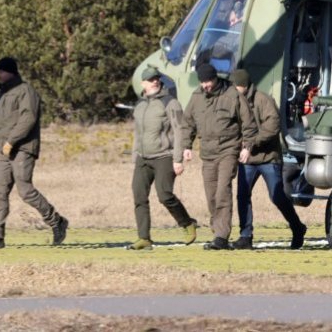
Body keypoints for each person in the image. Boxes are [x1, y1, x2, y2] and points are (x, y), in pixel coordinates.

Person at [0, 57, 68, 249]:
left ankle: (56, 221)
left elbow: (28, 119)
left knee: (25, 191)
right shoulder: (1, 94)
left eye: (1, 71)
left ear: (11, 72)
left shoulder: (26, 91)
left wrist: (11, 141)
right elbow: (1, 126)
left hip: (23, 148)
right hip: (2, 150)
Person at [179, 63, 256, 250]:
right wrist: (186, 146)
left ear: (215, 78)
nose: (206, 85)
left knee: (223, 190)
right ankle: (217, 231)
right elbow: (187, 123)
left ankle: (221, 236)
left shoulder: (232, 95)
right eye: (202, 82)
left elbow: (249, 124)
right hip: (207, 152)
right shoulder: (196, 97)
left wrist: (247, 147)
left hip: (228, 150)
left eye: (208, 81)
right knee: (211, 195)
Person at [230, 69, 307, 250]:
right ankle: (245, 235)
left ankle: (297, 227)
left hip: (268, 157)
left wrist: (250, 144)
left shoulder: (263, 100)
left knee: (277, 196)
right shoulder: (233, 102)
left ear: (242, 85)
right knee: (242, 194)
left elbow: (272, 126)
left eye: (235, 86)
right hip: (247, 159)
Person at [127, 66, 198, 250]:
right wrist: (135, 156)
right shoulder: (140, 105)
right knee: (139, 196)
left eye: (157, 78)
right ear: (143, 83)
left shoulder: (170, 102)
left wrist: (178, 159)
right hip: (143, 158)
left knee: (164, 195)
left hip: (164, 156)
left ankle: (187, 223)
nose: (155, 81)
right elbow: (138, 132)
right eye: (151, 79)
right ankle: (144, 238)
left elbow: (179, 130)